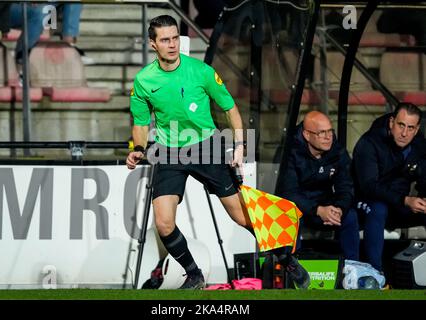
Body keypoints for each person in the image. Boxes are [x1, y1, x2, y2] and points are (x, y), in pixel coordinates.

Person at [126, 15, 309, 289]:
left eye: (175, 38)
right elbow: (141, 123)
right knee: (164, 224)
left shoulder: (201, 71)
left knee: (239, 216)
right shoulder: (143, 80)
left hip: (207, 146)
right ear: (153, 44)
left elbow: (230, 107)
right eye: (165, 40)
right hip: (168, 151)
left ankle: (286, 257)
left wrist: (239, 145)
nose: (172, 44)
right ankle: (194, 274)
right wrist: (139, 149)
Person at [351, 102, 426, 272]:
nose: (404, 133)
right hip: (364, 203)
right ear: (392, 122)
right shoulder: (369, 143)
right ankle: (375, 273)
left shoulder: (419, 145)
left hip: (399, 204)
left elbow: (424, 175)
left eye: (410, 127)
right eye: (401, 125)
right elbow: (369, 186)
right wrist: (405, 200)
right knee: (378, 208)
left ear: (416, 129)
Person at [279, 111, 360, 261]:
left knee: (350, 216)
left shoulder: (336, 150)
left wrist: (340, 209)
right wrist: (318, 210)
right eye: (322, 133)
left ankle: (352, 268)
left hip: (325, 204)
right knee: (290, 216)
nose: (328, 137)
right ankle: (292, 268)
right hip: (300, 207)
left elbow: (346, 186)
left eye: (330, 131)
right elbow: (288, 193)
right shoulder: (290, 151)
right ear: (307, 135)